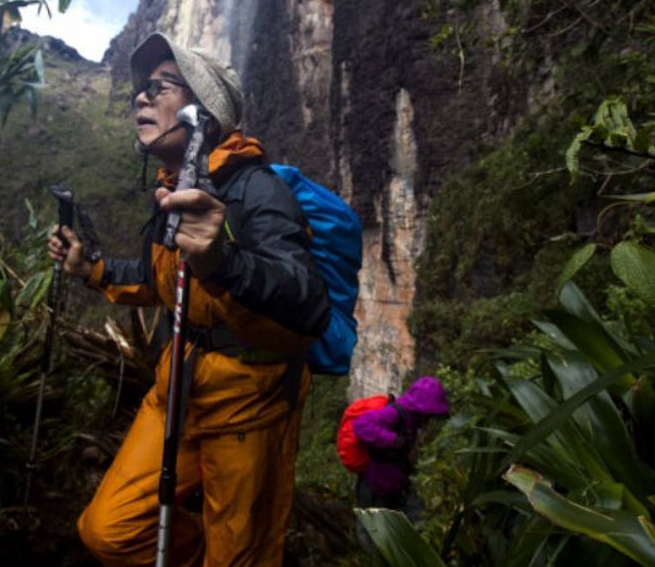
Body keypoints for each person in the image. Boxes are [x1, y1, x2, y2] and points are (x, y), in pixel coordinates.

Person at [47, 32, 330, 566]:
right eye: (141, 88)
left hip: (248, 403)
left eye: (162, 86)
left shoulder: (257, 190)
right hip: (176, 388)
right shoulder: (172, 189)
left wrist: (223, 261)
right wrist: (92, 269)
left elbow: (307, 303)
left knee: (240, 557)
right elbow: (161, 281)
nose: (141, 97)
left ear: (206, 111)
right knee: (107, 531)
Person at [352, 376, 450, 513]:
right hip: (376, 484)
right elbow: (361, 425)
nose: (429, 418)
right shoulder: (394, 413)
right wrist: (393, 440)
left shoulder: (413, 420)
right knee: (372, 530)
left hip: (394, 484)